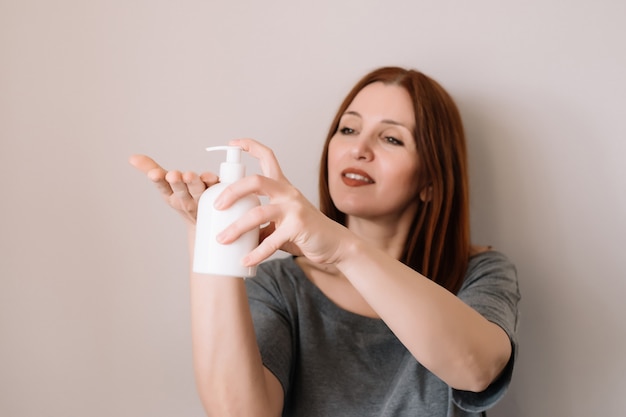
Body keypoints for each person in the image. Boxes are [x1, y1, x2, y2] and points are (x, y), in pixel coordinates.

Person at [130, 66, 520, 417]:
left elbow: (477, 369)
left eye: (391, 139)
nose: (358, 149)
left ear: (432, 181)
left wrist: (343, 248)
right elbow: (240, 413)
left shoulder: (480, 272)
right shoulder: (281, 287)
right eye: (348, 129)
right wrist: (208, 235)